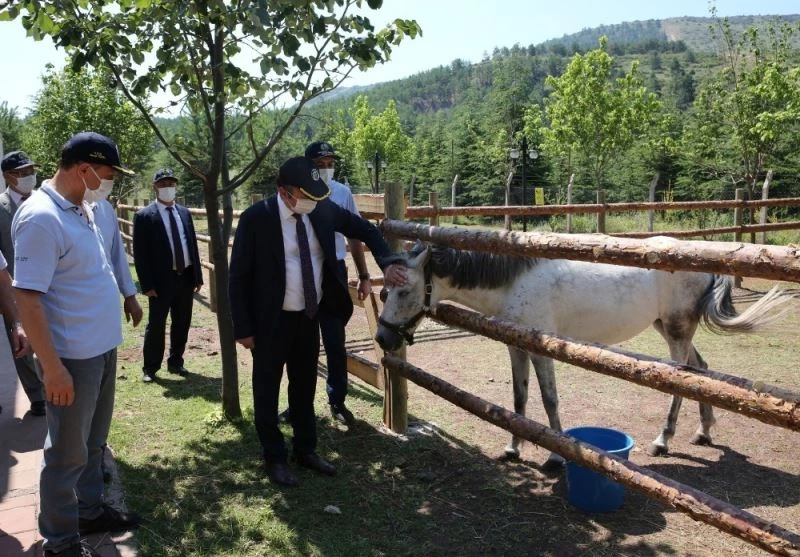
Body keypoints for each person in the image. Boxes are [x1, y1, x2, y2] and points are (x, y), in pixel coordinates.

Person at [229, 156, 407, 487]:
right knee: (266, 390)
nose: (313, 201)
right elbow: (237, 277)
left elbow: (364, 228)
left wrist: (386, 261)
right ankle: (274, 456)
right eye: (306, 195)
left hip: (309, 316)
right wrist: (243, 327)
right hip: (270, 321)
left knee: (304, 385)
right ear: (285, 193)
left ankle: (305, 449)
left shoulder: (321, 210)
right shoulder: (257, 219)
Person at [12, 132, 141, 557]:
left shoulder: (83, 208)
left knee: (92, 444)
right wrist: (52, 368)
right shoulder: (41, 217)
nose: (110, 182)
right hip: (71, 358)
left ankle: (88, 511)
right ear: (84, 169)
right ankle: (60, 541)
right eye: (107, 173)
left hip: (100, 350)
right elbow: (28, 298)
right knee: (66, 454)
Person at [279, 141, 372, 426]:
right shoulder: (296, 193)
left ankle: (337, 400)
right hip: (302, 273)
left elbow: (354, 236)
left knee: (334, 341)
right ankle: (297, 405)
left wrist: (364, 275)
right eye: (320, 165)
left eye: (330, 164)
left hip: (333, 273)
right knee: (300, 345)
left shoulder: (342, 193)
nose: (327, 169)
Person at [132, 169, 203, 383]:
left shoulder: (184, 213)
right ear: (155, 187)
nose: (167, 188)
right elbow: (140, 254)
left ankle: (176, 361)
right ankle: (150, 367)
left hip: (185, 276)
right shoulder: (144, 216)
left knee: (182, 321)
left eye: (171, 184)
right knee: (156, 323)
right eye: (163, 184)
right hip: (160, 281)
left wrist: (197, 276)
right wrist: (147, 284)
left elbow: (192, 245)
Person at [0, 150, 45, 416]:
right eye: (22, 173)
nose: (29, 176)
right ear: (8, 176)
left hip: (48, 282)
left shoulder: (44, 201)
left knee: (51, 335)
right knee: (21, 340)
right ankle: (37, 395)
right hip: (14, 285)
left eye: (31, 171)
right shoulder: (0, 206)